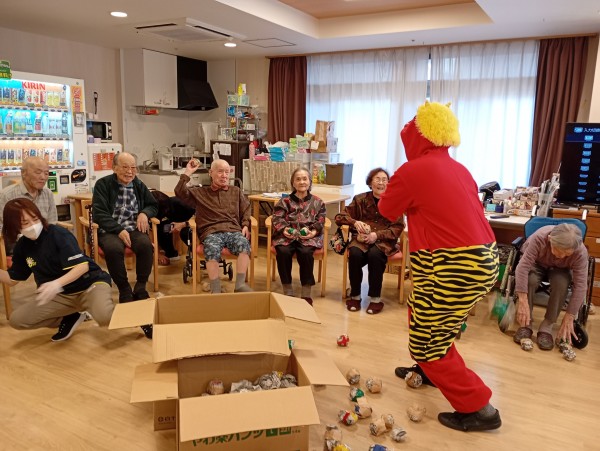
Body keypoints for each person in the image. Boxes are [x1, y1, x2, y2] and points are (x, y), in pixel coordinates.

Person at [379, 101, 501, 432]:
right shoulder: (460, 168)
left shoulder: (413, 171)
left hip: (450, 264)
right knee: (426, 315)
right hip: (482, 259)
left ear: (416, 138)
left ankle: (478, 407)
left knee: (428, 341)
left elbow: (387, 210)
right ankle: (428, 371)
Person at [0, 198, 114, 342]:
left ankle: (138, 317)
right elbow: (12, 279)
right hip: (61, 296)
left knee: (104, 317)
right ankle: (70, 318)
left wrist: (56, 284)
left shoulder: (58, 234)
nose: (33, 225)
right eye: (25, 223)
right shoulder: (22, 246)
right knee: (17, 320)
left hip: (89, 285)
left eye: (35, 219)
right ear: (15, 226)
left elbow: (82, 266)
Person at [92, 152, 157, 339]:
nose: (130, 172)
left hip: (133, 228)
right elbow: (99, 213)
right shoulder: (103, 184)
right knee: (113, 249)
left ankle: (140, 287)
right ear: (114, 168)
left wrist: (144, 213)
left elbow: (153, 205)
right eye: (125, 167)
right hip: (110, 230)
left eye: (133, 167)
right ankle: (124, 289)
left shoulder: (138, 184)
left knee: (145, 245)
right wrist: (118, 229)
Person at [175, 158, 252, 294]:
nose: (224, 175)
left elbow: (246, 209)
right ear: (211, 173)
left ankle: (240, 285)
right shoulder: (200, 193)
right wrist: (188, 172)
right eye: (220, 171)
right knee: (211, 247)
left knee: (244, 244)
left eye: (227, 172)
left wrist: (245, 224)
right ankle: (215, 288)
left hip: (233, 230)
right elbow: (179, 192)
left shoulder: (236, 191)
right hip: (211, 232)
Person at [335, 167, 404, 314]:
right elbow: (339, 217)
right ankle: (355, 295)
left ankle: (375, 299)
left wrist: (376, 235)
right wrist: (354, 222)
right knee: (354, 253)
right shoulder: (360, 199)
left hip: (383, 241)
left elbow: (397, 228)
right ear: (370, 183)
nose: (381, 183)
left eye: (384, 180)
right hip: (361, 240)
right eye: (377, 179)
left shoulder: (394, 202)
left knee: (375, 255)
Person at [513, 223, 588, 350]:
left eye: (567, 254)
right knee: (530, 280)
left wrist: (570, 315)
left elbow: (581, 286)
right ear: (550, 239)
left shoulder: (580, 252)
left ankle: (547, 326)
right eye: (559, 251)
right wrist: (522, 301)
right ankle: (526, 323)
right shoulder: (539, 238)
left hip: (561, 269)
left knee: (561, 283)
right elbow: (522, 268)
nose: (562, 256)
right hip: (537, 262)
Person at [271, 167, 326, 305]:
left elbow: (321, 220)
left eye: (305, 179)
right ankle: (287, 290)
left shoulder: (318, 202)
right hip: (286, 236)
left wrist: (313, 232)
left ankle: (306, 292)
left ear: (310, 181)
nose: (302, 182)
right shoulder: (284, 201)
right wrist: (285, 229)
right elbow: (277, 218)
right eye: (298, 179)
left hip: (309, 236)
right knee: (283, 251)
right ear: (293, 183)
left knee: (306, 252)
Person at [0, 156, 57, 234]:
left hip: (45, 238)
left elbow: (52, 223)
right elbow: (4, 227)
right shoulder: (7, 195)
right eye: (38, 172)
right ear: (23, 173)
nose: (43, 177)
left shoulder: (47, 193)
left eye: (46, 173)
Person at [150, 190, 195, 266]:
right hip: (172, 219)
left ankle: (195, 253)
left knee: (185, 233)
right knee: (162, 227)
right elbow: (151, 231)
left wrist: (184, 224)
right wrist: (158, 254)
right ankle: (171, 253)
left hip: (189, 221)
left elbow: (200, 216)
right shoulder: (153, 211)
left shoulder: (182, 203)